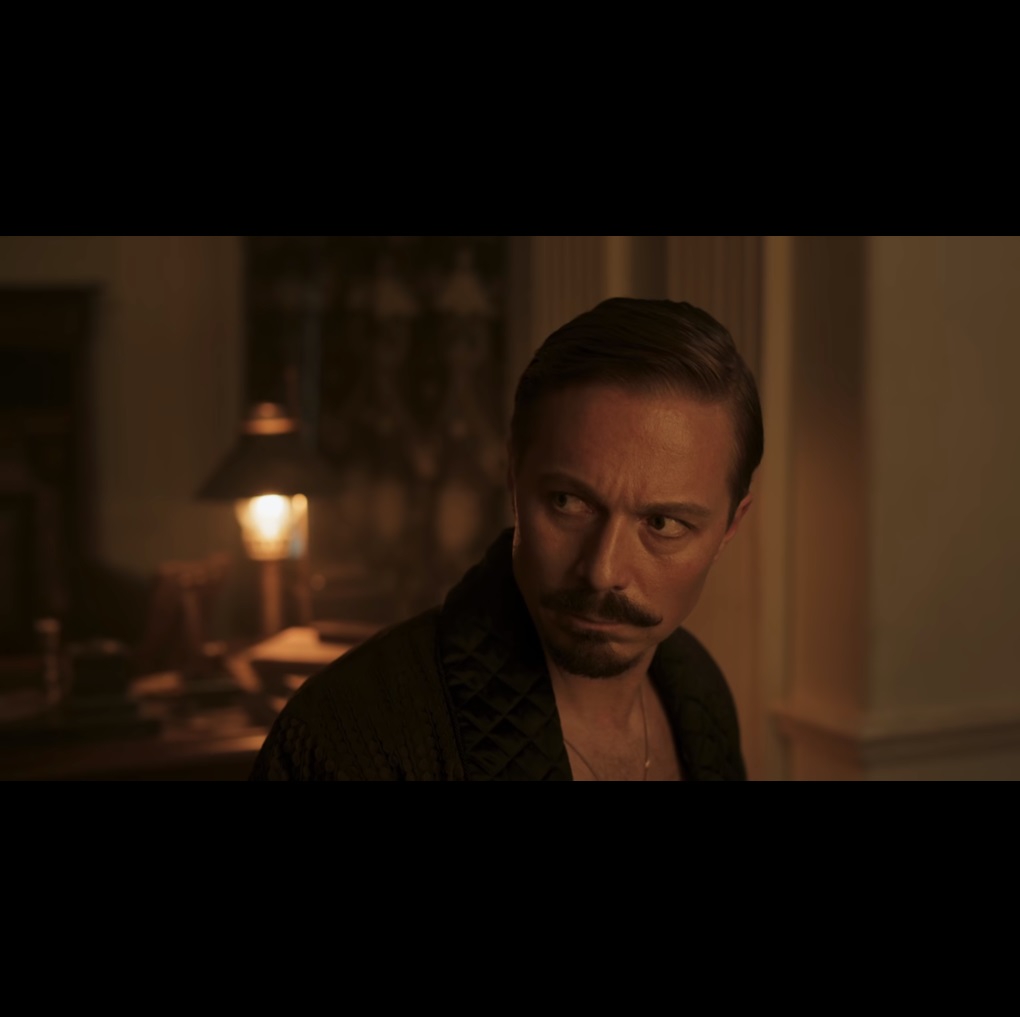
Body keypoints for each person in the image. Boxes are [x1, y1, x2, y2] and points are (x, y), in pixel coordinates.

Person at [249, 296, 763, 781]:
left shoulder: (697, 691)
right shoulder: (348, 739)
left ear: (729, 528)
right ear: (513, 476)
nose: (602, 570)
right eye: (568, 502)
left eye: (663, 524)